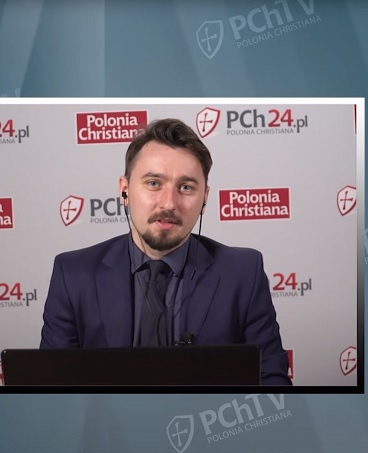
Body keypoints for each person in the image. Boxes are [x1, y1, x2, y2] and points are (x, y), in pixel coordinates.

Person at [40, 118, 291, 386]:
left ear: (205, 198)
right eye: (153, 183)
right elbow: (52, 388)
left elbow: (272, 383)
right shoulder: (74, 275)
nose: (169, 203)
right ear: (124, 191)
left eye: (186, 187)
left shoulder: (243, 273)